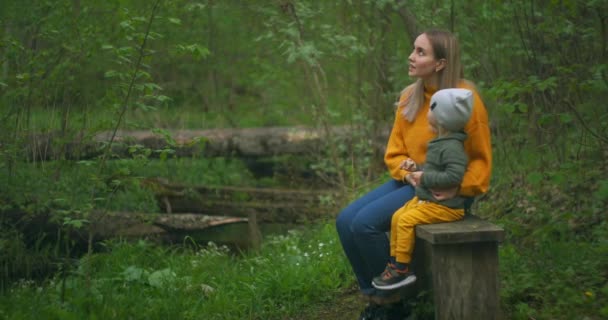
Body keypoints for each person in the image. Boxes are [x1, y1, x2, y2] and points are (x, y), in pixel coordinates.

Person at [335, 29, 492, 319]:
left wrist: (460, 188)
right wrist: (406, 172)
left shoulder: (463, 101)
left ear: (440, 63)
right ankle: (377, 301)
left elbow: (481, 161)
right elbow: (394, 152)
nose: (411, 56)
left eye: (420, 52)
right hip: (410, 181)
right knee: (345, 221)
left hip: (444, 189)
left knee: (364, 225)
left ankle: (395, 305)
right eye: (413, 49)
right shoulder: (410, 96)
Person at [372, 88, 473, 290]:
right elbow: (436, 170)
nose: (426, 112)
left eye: (431, 109)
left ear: (442, 118)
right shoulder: (440, 142)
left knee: (406, 220)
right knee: (397, 216)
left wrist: (424, 176)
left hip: (446, 207)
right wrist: (415, 168)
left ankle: (402, 269)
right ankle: (394, 263)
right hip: (429, 200)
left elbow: (454, 176)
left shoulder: (452, 147)